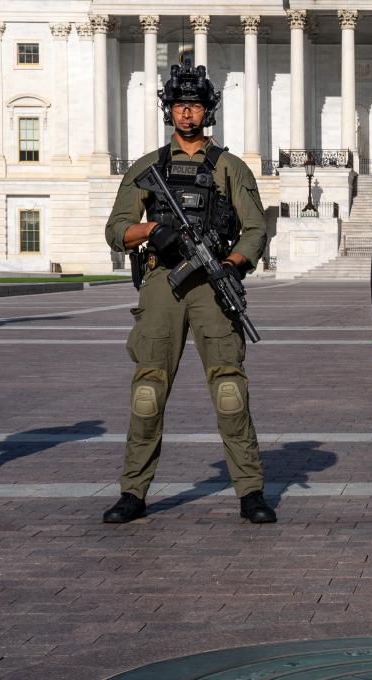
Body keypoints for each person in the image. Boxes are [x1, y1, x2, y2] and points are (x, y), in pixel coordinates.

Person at [101, 64, 274, 525]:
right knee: (148, 392)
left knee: (230, 389)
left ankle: (250, 490)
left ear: (207, 111)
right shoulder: (148, 169)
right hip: (164, 283)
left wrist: (233, 264)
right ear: (169, 110)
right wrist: (151, 229)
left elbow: (255, 228)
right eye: (179, 105)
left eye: (195, 106)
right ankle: (133, 491)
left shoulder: (229, 168)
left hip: (212, 284)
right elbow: (116, 230)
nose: (187, 113)